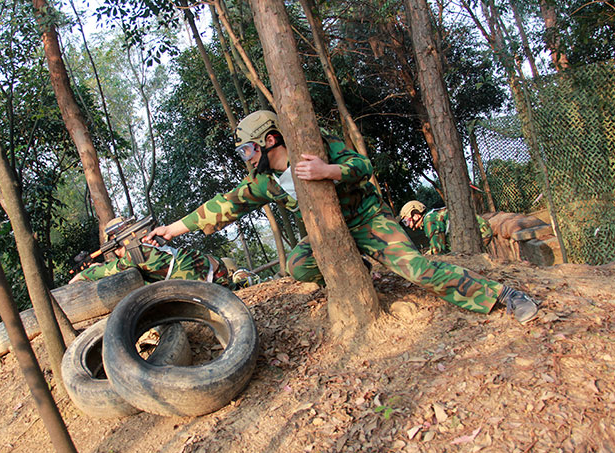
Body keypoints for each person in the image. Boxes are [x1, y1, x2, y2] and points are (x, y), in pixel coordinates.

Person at [145, 110, 538, 324]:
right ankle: (361, 273)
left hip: (368, 218)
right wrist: (170, 229)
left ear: (269, 140)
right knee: (298, 264)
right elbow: (221, 207)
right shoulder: (266, 182)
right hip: (328, 234)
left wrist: (326, 171)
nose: (247, 158)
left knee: (415, 268)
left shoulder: (312, 147)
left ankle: (503, 295)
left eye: (249, 149)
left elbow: (362, 164)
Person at [70, 217, 255, 290]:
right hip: (202, 268)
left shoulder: (136, 252)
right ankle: (241, 280)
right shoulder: (142, 247)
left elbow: (116, 269)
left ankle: (243, 278)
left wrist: (84, 274)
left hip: (205, 270)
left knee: (233, 291)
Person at [400, 200, 493, 255]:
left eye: (407, 221)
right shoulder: (431, 216)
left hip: (480, 232)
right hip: (479, 231)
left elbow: (438, 250)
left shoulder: (429, 220)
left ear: (415, 215)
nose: (409, 225)